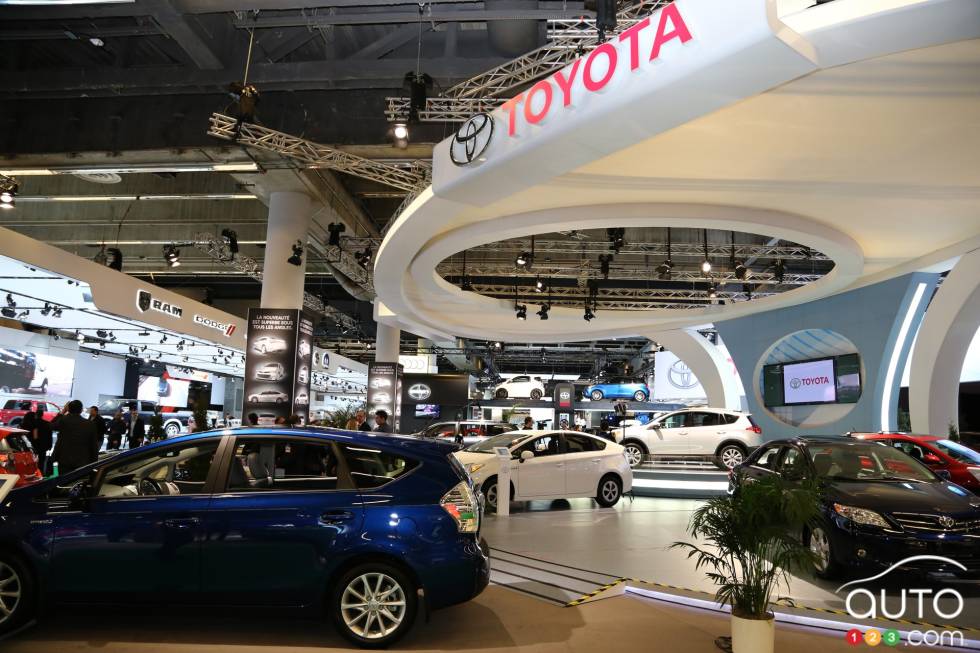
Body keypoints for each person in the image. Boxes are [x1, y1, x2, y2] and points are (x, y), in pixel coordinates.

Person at [51, 400, 98, 474]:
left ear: (68, 409)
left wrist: (63, 411)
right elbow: (94, 446)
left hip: (62, 461)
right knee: (78, 483)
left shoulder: (63, 420)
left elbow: (51, 426)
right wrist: (94, 464)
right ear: (81, 410)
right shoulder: (90, 424)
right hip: (82, 462)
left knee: (58, 481)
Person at [33, 408, 53, 475]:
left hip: (33, 445)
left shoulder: (32, 423)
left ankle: (33, 472)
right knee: (42, 460)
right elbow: (50, 435)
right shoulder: (47, 424)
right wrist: (50, 445)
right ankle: (41, 473)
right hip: (43, 445)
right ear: (42, 415)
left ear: (36, 414)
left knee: (33, 460)